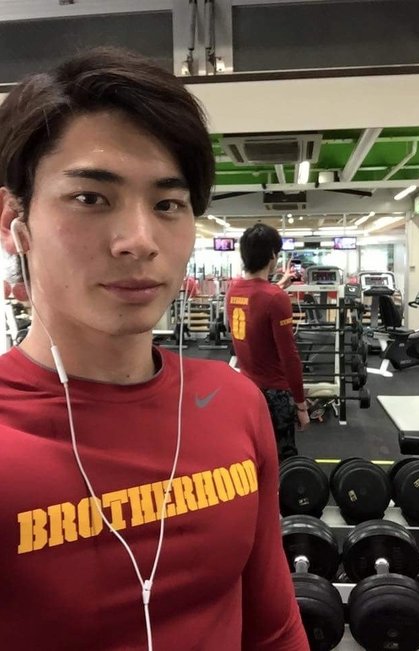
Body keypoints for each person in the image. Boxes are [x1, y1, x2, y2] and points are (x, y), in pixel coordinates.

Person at [0, 48, 308, 651]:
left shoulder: (234, 403)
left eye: (168, 204)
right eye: (91, 198)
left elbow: (274, 629)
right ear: (15, 220)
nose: (139, 241)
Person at [226, 224, 310, 463]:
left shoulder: (233, 290)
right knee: (282, 461)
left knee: (255, 457)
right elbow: (289, 356)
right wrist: (301, 404)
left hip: (246, 388)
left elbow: (257, 303)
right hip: (275, 395)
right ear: (273, 255)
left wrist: (279, 285)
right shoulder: (275, 298)